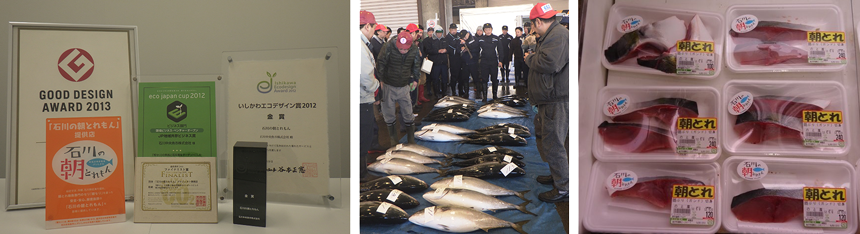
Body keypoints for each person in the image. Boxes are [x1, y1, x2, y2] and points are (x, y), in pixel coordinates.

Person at [526, 3, 569, 203]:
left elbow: (550, 63)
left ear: (538, 21)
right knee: (551, 141)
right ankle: (557, 176)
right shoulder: (551, 34)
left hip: (555, 100)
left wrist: (530, 58)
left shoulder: (558, 35)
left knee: (554, 144)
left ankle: (563, 188)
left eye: (534, 25)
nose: (533, 30)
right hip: (549, 99)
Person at [377, 31, 421, 146]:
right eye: (400, 49)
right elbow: (380, 63)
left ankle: (411, 139)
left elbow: (416, 65)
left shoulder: (414, 49)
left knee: (408, 112)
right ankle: (393, 140)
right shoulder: (388, 47)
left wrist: (416, 79)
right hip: (388, 84)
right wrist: (380, 79)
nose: (402, 51)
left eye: (405, 49)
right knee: (389, 113)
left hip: (404, 85)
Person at [358, 10, 381, 182]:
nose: (374, 30)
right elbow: (366, 75)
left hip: (360, 98)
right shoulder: (358, 46)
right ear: (367, 26)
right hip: (361, 99)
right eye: (373, 27)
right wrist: (376, 86)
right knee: (363, 137)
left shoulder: (360, 43)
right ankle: (361, 174)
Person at [477, 23, 501, 101]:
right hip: (484, 61)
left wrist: (501, 61)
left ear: (492, 29)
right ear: (484, 30)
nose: (488, 31)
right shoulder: (480, 39)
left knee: (494, 79)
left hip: (494, 61)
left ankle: (495, 95)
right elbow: (475, 49)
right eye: (486, 30)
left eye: (489, 29)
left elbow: (500, 50)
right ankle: (484, 97)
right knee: (484, 79)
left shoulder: (496, 38)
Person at [427, 26, 450, 97]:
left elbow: (449, 48)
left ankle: (444, 93)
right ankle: (436, 93)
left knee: (444, 78)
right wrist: (437, 51)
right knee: (435, 79)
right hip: (435, 63)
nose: (439, 35)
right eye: (437, 33)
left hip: (443, 63)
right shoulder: (431, 40)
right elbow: (428, 50)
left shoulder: (445, 40)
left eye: (440, 33)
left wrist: (446, 50)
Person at [445, 23, 464, 98]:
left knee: (461, 76)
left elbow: (463, 41)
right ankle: (453, 91)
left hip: (461, 58)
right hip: (453, 59)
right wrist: (459, 43)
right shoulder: (447, 37)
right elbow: (452, 45)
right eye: (452, 30)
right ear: (449, 30)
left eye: (455, 29)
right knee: (454, 76)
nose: (454, 31)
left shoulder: (459, 35)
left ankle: (461, 90)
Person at [462, 29, 480, 100]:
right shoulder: (461, 41)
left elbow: (477, 49)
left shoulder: (474, 39)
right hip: (465, 63)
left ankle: (478, 92)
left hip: (473, 62)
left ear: (468, 34)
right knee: (465, 78)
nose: (464, 38)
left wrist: (468, 48)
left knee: (476, 78)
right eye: (463, 37)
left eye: (465, 36)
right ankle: (466, 93)